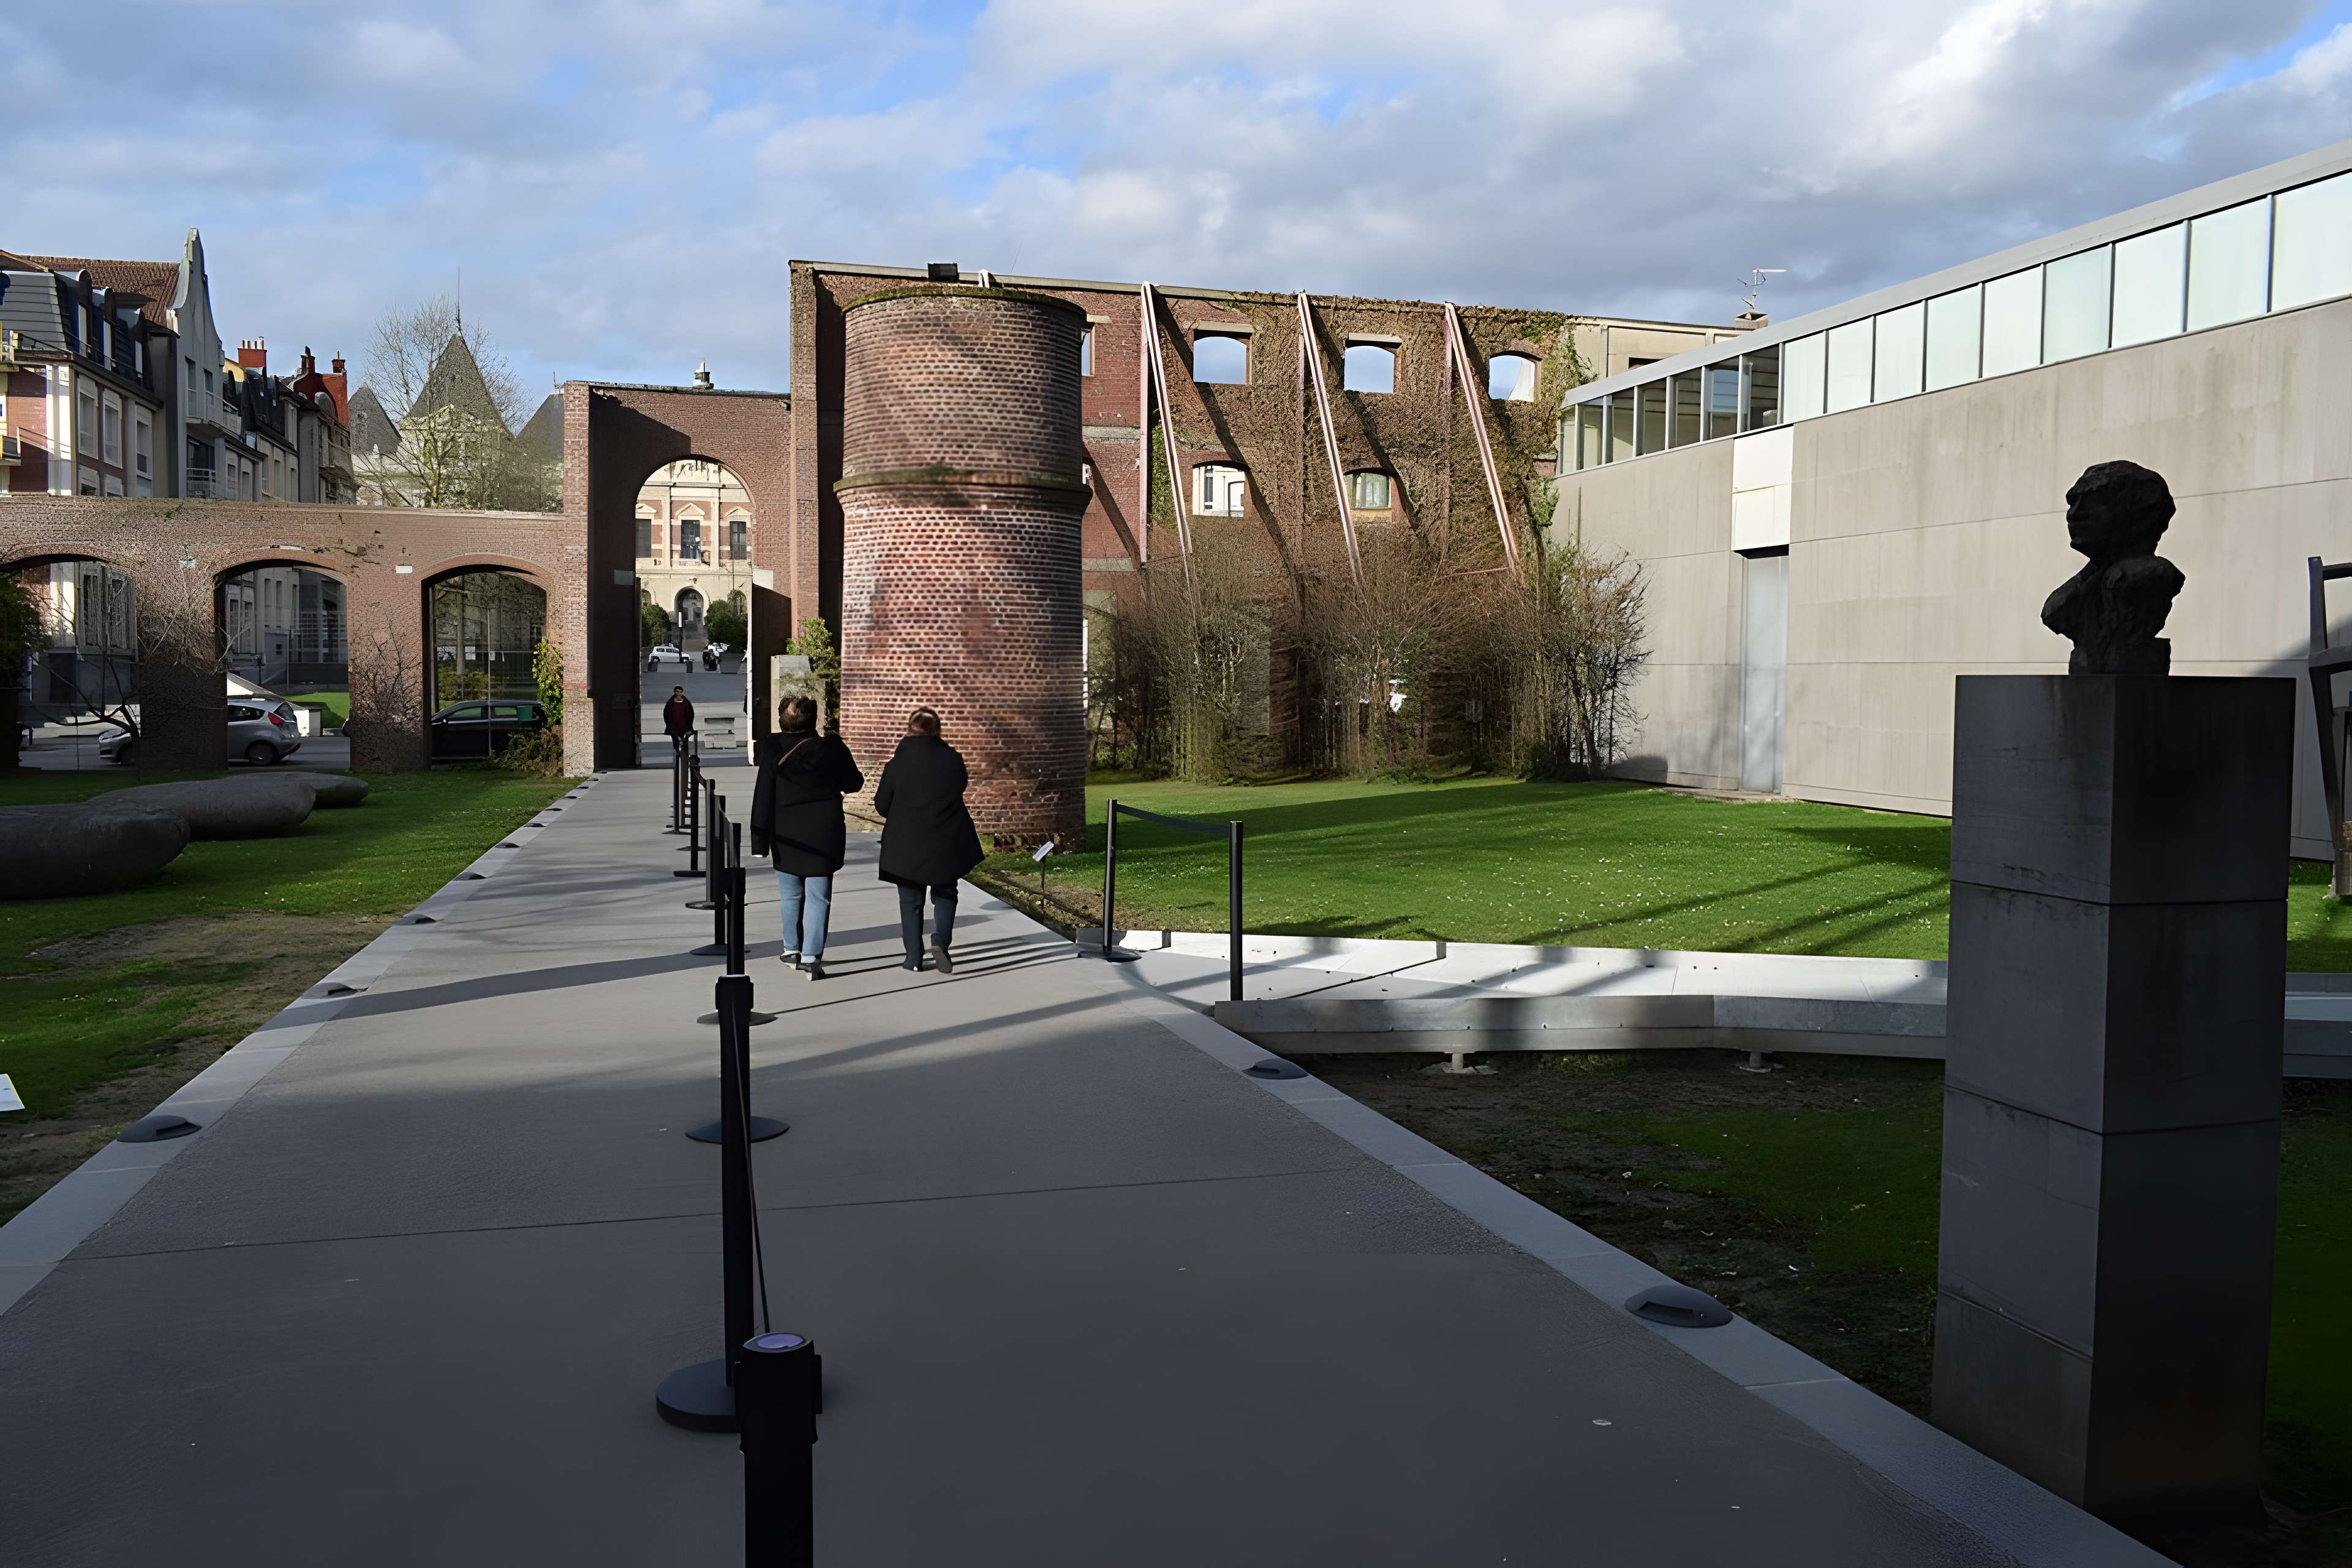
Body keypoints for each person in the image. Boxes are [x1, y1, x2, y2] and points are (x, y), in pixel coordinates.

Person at [750, 697, 864, 981]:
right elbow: (854, 783)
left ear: (781, 720)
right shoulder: (832, 749)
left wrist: (758, 840)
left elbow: (763, 795)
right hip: (823, 832)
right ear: (814, 720)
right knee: (818, 897)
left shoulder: (772, 748)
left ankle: (791, 949)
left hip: (785, 832)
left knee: (790, 894)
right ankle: (812, 957)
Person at [875, 706, 983, 973]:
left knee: (910, 901)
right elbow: (961, 788)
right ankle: (941, 942)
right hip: (946, 839)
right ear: (938, 731)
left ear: (910, 731)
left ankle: (913, 957)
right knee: (945, 893)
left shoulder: (896, 765)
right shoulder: (953, 760)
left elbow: (881, 805)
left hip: (906, 842)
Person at [662, 685, 695, 758]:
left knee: (682, 736)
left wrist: (689, 724)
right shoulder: (670, 703)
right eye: (677, 692)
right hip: (673, 724)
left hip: (684, 724)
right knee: (675, 737)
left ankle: (683, 749)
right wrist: (668, 724)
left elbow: (691, 714)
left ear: (682, 693)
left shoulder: (686, 703)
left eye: (680, 692)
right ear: (674, 692)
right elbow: (666, 714)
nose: (678, 693)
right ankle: (677, 750)